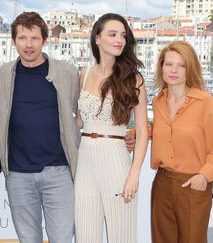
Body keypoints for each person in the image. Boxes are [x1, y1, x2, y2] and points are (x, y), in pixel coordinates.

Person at [0, 12, 80, 243]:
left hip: (59, 172)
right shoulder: (3, 75)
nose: (29, 45)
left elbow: (84, 113)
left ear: (45, 40)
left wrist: (124, 134)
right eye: (22, 38)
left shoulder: (68, 73)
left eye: (34, 38)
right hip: (18, 175)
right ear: (14, 41)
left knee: (62, 239)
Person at [74, 13, 149, 243]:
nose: (119, 40)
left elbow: (143, 131)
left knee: (121, 236)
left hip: (116, 161)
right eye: (113, 34)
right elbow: (78, 121)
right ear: (97, 38)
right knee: (86, 236)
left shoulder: (133, 79)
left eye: (123, 36)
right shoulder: (84, 75)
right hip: (85, 161)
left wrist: (134, 175)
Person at [150, 40, 213, 243]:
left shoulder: (206, 103)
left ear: (190, 68)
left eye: (181, 65)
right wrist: (137, 133)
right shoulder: (158, 101)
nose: (174, 70)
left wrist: (203, 177)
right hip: (162, 183)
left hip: (193, 184)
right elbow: (167, 132)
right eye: (168, 64)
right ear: (161, 67)